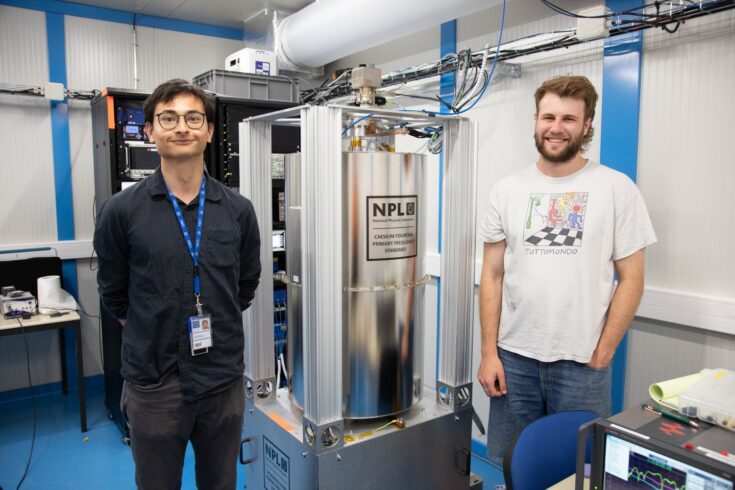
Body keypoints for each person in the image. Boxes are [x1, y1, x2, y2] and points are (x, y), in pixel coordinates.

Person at [476, 75, 657, 461]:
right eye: (548, 116)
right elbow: (492, 276)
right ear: (536, 120)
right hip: (514, 359)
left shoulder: (616, 188)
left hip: (582, 363)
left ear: (587, 124)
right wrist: (489, 353)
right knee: (514, 464)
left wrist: (604, 351)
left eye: (569, 119)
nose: (556, 128)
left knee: (577, 468)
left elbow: (633, 279)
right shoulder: (506, 190)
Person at [93, 79, 261, 489]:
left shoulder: (238, 211)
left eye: (192, 118)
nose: (181, 127)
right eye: (168, 118)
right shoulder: (121, 211)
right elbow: (113, 291)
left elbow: (245, 284)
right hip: (154, 382)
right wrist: (151, 328)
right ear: (150, 131)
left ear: (207, 131)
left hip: (221, 379)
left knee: (220, 482)